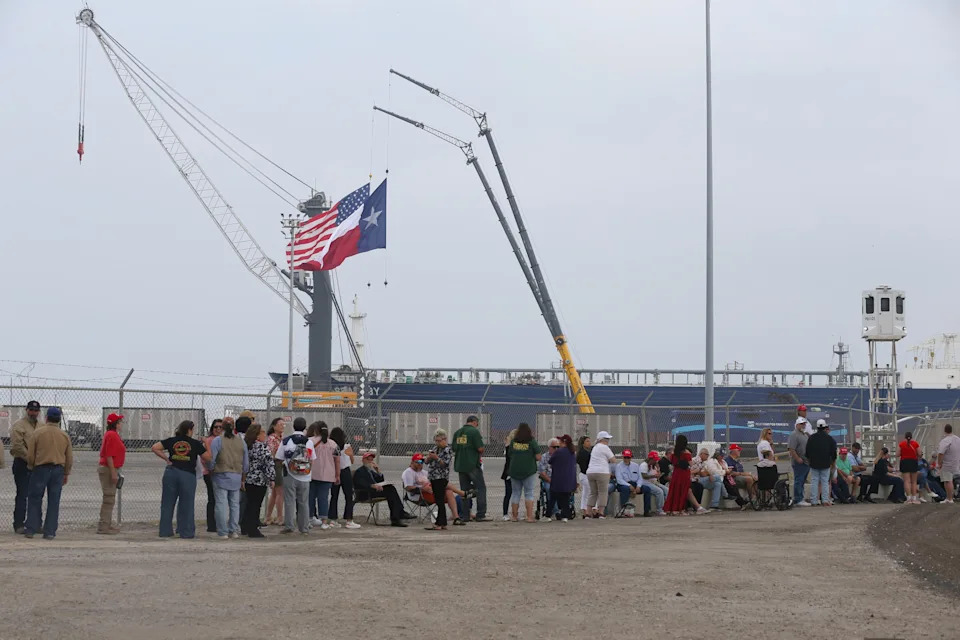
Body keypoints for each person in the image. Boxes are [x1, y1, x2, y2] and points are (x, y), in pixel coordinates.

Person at [152, 420, 209, 539]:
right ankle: (186, 531)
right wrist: (206, 443)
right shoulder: (194, 443)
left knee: (167, 503)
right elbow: (208, 457)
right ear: (189, 430)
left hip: (171, 472)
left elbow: (155, 447)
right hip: (187, 474)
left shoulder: (172, 440)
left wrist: (167, 459)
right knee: (187, 504)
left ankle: (165, 531)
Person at [23, 407, 72, 539]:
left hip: (40, 468)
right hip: (57, 470)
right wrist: (66, 473)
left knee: (34, 499)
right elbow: (69, 457)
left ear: (46, 418)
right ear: (58, 419)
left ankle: (31, 529)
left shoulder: (38, 433)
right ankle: (50, 531)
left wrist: (32, 465)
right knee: (54, 500)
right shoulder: (64, 435)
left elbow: (30, 454)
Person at [209, 418, 250, 539]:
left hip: (221, 474)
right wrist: (243, 476)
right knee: (235, 504)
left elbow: (212, 459)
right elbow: (246, 463)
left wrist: (211, 469)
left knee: (221, 504)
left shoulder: (218, 440)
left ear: (222, 428)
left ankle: (223, 531)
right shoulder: (241, 442)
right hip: (236, 475)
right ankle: (234, 530)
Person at [276, 417, 314, 535]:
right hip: (305, 476)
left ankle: (289, 526)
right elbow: (312, 459)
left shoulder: (286, 441)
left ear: (293, 426)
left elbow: (279, 457)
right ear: (304, 427)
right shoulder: (309, 442)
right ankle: (304, 528)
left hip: (290, 474)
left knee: (289, 501)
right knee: (303, 502)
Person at [11, 400, 42, 534]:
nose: (33, 413)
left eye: (35, 411)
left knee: (36, 495)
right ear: (26, 410)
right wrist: (30, 459)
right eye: (31, 410)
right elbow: (17, 447)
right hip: (22, 464)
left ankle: (35, 523)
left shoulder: (41, 426)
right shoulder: (19, 425)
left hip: (38, 465)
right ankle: (19, 524)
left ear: (38, 412)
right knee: (22, 495)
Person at [353, 452, 410, 527]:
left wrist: (378, 471)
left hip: (374, 491)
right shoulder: (360, 471)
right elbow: (359, 484)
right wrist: (372, 486)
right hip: (365, 493)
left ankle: (397, 516)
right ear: (363, 460)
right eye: (368, 459)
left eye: (371, 459)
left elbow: (380, 481)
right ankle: (398, 515)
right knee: (391, 491)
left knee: (391, 489)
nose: (370, 461)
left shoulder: (370, 471)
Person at [453, 415, 489, 521]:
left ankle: (465, 515)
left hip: (460, 465)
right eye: (477, 424)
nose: (477, 426)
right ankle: (481, 514)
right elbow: (480, 448)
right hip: (472, 465)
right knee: (481, 488)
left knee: (465, 491)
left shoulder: (457, 432)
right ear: (474, 422)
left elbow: (454, 448)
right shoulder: (474, 432)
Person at [243, 423, 274, 538]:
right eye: (263, 432)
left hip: (249, 478)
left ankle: (245, 526)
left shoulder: (247, 446)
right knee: (256, 505)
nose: (265, 434)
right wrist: (272, 477)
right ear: (257, 434)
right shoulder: (262, 447)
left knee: (249, 503)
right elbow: (268, 463)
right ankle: (253, 529)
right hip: (260, 479)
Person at [97, 412, 126, 534]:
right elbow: (108, 455)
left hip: (111, 468)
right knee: (109, 498)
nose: (121, 424)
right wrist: (113, 473)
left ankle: (107, 524)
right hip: (108, 469)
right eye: (119, 422)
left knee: (110, 498)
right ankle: (104, 526)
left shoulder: (112, 434)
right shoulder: (111, 435)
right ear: (115, 424)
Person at [308, 422, 340, 530]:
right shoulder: (333, 444)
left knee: (310, 497)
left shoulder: (311, 441)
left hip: (312, 474)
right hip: (328, 475)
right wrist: (337, 475)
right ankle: (324, 522)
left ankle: (309, 518)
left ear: (315, 430)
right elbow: (337, 461)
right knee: (324, 498)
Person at [507, 423, 542, 523]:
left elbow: (510, 454)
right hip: (528, 470)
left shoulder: (513, 442)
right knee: (529, 493)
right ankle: (529, 517)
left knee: (515, 493)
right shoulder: (531, 441)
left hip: (514, 470)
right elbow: (538, 456)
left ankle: (514, 516)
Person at [328, 426, 360, 529]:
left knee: (334, 496)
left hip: (334, 472)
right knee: (348, 496)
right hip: (345, 471)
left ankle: (333, 519)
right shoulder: (347, 446)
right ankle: (349, 520)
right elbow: (352, 460)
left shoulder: (331, 446)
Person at [664, 435, 704, 515]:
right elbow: (690, 464)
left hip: (676, 473)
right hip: (684, 474)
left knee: (675, 491)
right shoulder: (686, 453)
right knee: (683, 491)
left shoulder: (674, 453)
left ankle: (672, 509)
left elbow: (673, 462)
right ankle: (680, 509)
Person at [585, 431, 616, 519]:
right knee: (603, 492)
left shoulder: (595, 447)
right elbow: (613, 460)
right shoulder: (605, 447)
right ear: (603, 440)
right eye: (607, 439)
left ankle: (588, 512)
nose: (608, 441)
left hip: (590, 471)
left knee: (593, 492)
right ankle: (601, 512)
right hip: (602, 472)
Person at [806, 419, 837, 506]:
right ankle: (825, 500)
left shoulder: (812, 438)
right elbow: (833, 452)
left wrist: (809, 460)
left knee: (814, 481)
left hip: (814, 463)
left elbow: (807, 451)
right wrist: (833, 461)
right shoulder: (829, 438)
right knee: (825, 482)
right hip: (826, 463)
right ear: (825, 427)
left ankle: (814, 500)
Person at [548, 434, 577, 521]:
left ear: (564, 442)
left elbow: (550, 461)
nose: (559, 443)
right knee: (566, 499)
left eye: (560, 441)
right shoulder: (572, 452)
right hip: (569, 480)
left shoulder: (559, 451)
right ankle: (565, 516)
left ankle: (548, 515)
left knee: (552, 498)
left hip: (558, 479)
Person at [202, 419, 223, 532]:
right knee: (212, 499)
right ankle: (211, 525)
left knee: (220, 499)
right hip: (210, 473)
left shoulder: (223, 440)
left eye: (220, 427)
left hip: (221, 473)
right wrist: (210, 468)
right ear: (212, 428)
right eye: (216, 427)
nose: (218, 429)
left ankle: (219, 522)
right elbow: (204, 457)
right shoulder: (209, 440)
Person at [612, 449, 646, 516]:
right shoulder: (619, 466)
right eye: (625, 457)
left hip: (634, 483)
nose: (626, 459)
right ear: (622, 457)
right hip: (623, 484)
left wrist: (638, 486)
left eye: (628, 457)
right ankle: (623, 510)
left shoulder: (636, 466)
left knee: (647, 489)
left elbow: (640, 478)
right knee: (625, 489)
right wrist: (629, 485)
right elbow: (619, 480)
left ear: (631, 457)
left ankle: (647, 511)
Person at [264, 418, 285, 526]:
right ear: (274, 426)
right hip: (276, 464)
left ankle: (268, 516)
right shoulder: (272, 438)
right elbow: (270, 452)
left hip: (281, 464)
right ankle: (280, 517)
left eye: (283, 424)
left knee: (275, 493)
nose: (283, 426)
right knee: (279, 492)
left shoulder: (282, 438)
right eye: (280, 424)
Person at [788, 415, 811, 507]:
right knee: (799, 480)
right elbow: (791, 448)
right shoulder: (794, 435)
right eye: (801, 424)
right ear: (797, 425)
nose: (803, 426)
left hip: (806, 462)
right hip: (799, 462)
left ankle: (801, 497)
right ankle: (798, 499)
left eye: (804, 424)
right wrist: (797, 458)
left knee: (802, 480)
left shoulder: (804, 435)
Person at [936, 424, 959, 504]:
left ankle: (949, 498)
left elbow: (941, 453)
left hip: (947, 464)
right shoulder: (957, 439)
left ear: (945, 430)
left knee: (947, 481)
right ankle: (950, 497)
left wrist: (939, 463)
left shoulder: (945, 440)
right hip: (956, 463)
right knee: (951, 480)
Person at [537, 438, 559, 521]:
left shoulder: (561, 456)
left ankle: (564, 510)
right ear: (549, 447)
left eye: (558, 447)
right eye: (554, 447)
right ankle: (557, 512)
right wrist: (550, 480)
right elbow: (542, 472)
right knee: (550, 488)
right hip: (548, 479)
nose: (556, 449)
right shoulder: (544, 457)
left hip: (559, 479)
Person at [639, 451, 666, 515]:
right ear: (650, 459)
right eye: (654, 460)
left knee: (666, 490)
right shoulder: (644, 465)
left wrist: (658, 470)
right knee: (659, 491)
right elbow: (644, 476)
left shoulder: (653, 465)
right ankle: (659, 509)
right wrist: (654, 476)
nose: (656, 461)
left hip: (653, 482)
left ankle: (666, 507)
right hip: (645, 483)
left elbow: (656, 474)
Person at [898, 432, 921, 504]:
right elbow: (919, 453)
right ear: (911, 437)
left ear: (905, 437)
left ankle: (908, 498)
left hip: (904, 462)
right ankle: (914, 498)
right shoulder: (915, 444)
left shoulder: (901, 444)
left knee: (907, 481)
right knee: (914, 481)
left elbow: (897, 454)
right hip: (913, 462)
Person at [500, 429, 517, 521]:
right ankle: (505, 513)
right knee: (509, 493)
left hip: (510, 472)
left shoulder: (509, 447)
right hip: (509, 473)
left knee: (513, 493)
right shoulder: (509, 447)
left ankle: (511, 513)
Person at [576, 435, 593, 518]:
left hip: (584, 475)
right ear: (583, 443)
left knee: (586, 492)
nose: (589, 443)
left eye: (589, 441)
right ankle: (587, 510)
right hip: (585, 475)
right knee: (589, 492)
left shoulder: (586, 452)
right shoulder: (583, 453)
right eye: (587, 441)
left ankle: (584, 509)